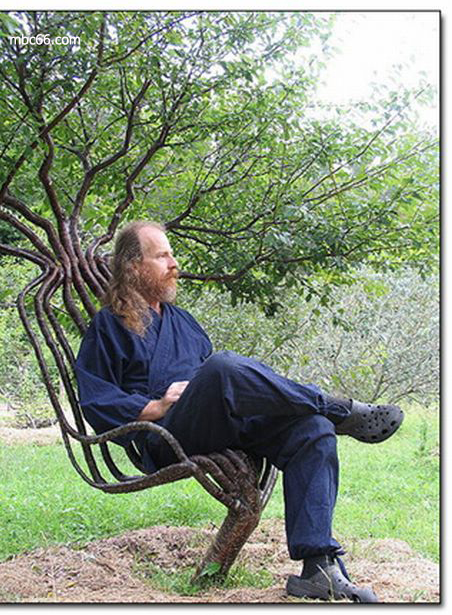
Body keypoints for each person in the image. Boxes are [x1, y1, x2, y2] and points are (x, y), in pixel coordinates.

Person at [75, 220, 404, 603]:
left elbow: (215, 387)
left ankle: (318, 567)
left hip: (216, 424)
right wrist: (156, 405)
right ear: (133, 266)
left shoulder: (184, 322)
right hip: (165, 436)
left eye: (171, 254)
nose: (174, 264)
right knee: (222, 368)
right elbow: (96, 399)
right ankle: (338, 408)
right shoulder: (109, 325)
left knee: (312, 429)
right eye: (162, 256)